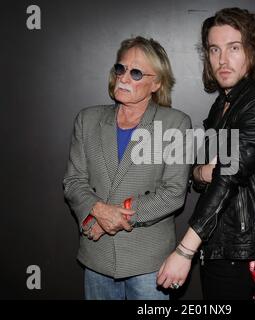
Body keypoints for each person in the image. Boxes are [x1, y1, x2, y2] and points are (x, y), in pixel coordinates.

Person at [157, 7, 255, 300]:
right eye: (214, 49)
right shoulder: (223, 105)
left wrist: (184, 250)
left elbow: (226, 178)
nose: (222, 59)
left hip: (241, 250)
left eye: (234, 48)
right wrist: (202, 171)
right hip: (217, 244)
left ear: (253, 52)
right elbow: (201, 171)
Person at [63, 36, 191, 300]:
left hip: (149, 263)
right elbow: (74, 182)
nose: (123, 78)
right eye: (120, 69)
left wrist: (115, 218)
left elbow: (174, 192)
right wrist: (97, 212)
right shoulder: (87, 120)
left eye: (136, 73)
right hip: (96, 256)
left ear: (156, 83)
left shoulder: (175, 124)